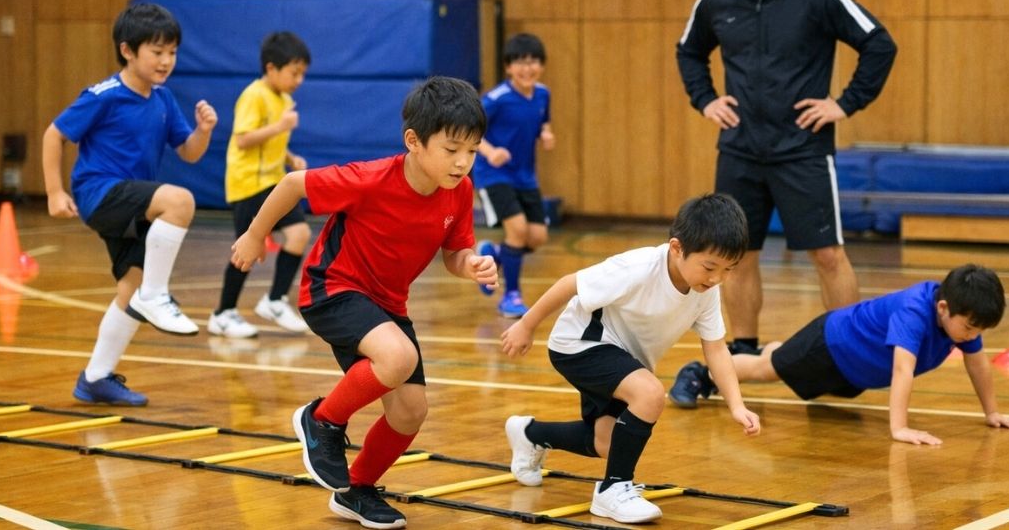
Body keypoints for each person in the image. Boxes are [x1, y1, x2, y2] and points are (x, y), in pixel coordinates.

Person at [230, 76, 498, 530]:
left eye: (472, 151)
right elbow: (294, 184)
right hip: (332, 288)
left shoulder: (461, 192)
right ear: (413, 141)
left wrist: (469, 263)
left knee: (411, 410)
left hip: (387, 304)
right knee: (397, 356)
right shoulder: (371, 179)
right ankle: (321, 421)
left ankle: (355, 491)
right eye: (452, 149)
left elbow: (454, 252)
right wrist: (255, 236)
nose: (462, 162)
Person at [675, 0, 898, 355]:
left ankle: (846, 353)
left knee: (829, 255)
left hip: (804, 150)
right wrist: (705, 100)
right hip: (739, 151)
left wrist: (845, 104)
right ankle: (742, 351)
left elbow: (879, 44)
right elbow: (688, 52)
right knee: (736, 257)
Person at [500, 194, 761, 525]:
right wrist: (526, 325)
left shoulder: (707, 291)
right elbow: (571, 284)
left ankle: (530, 434)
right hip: (579, 343)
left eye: (728, 270)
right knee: (650, 393)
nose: (716, 278)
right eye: (710, 267)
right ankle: (613, 490)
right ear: (677, 248)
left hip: (623, 355)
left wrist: (736, 405)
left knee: (607, 442)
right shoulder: (638, 268)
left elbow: (717, 348)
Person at [42, 3, 217, 406]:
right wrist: (54, 192)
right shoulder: (104, 96)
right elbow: (54, 134)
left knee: (130, 284)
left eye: (172, 52)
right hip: (99, 192)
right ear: (128, 51)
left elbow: (188, 152)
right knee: (181, 201)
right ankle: (156, 297)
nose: (166, 61)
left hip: (131, 199)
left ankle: (95, 377)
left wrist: (204, 130)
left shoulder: (163, 98)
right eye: (157, 52)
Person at [669, 264, 1009, 446]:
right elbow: (903, 369)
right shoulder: (914, 311)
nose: (972, 338)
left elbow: (977, 363)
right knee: (768, 368)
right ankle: (702, 374)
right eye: (969, 329)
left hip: (855, 374)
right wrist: (899, 428)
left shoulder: (960, 320)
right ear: (944, 308)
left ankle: (774, 350)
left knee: (779, 363)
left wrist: (992, 412)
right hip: (830, 345)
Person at [208, 31, 314, 339]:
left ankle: (275, 300)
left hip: (271, 182)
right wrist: (280, 126)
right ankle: (223, 313)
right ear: (271, 68)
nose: (299, 80)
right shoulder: (254, 95)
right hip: (248, 185)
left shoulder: (284, 99)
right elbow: (243, 140)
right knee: (246, 250)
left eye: (302, 74)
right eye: (294, 73)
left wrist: (291, 157)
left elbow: (272, 142)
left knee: (300, 233)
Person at [472, 33, 556, 319]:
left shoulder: (543, 94)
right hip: (493, 174)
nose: (527, 68)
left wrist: (546, 134)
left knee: (537, 236)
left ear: (541, 65)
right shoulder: (496, 100)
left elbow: (543, 122)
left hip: (526, 177)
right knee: (518, 230)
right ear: (508, 67)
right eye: (520, 62)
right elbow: (471, 130)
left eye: (533, 62)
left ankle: (494, 255)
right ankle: (510, 296)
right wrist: (490, 150)